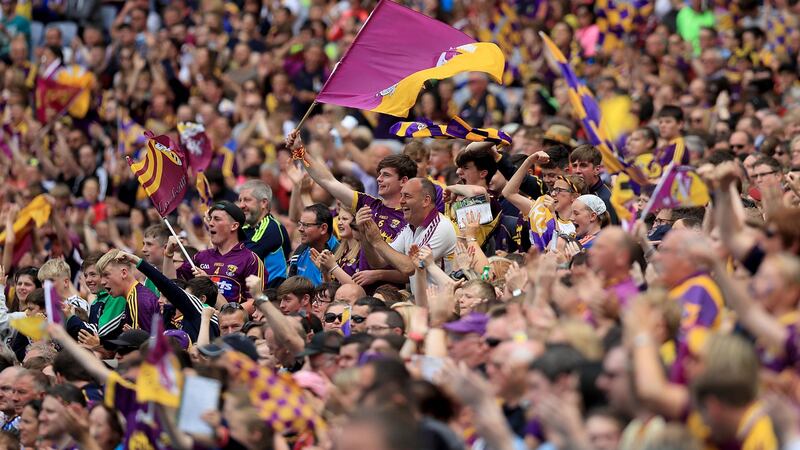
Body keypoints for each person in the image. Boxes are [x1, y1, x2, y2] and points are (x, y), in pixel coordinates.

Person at [357, 178, 456, 298]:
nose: (401, 201)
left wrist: (377, 240)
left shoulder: (441, 226)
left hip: (442, 303)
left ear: (426, 200)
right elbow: (378, 262)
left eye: (407, 196)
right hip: (421, 302)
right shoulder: (410, 227)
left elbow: (410, 267)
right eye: (401, 196)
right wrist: (364, 235)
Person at [171, 201, 266, 308]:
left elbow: (254, 303)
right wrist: (168, 255)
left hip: (231, 324)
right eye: (210, 218)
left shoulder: (251, 260)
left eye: (217, 219)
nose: (210, 223)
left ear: (234, 226)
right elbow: (171, 284)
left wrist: (209, 284)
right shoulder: (200, 256)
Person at [237, 179, 291, 288]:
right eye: (240, 200)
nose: (241, 205)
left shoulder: (272, 228)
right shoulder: (245, 227)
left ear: (263, 203)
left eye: (247, 200)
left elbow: (244, 258)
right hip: (249, 292)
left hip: (270, 296)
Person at [95, 249, 159, 332]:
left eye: (106, 275)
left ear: (124, 273)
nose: (102, 282)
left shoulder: (137, 300)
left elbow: (150, 343)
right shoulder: (136, 295)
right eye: (101, 277)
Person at [288, 203, 338, 286]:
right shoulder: (300, 251)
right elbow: (289, 288)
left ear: (323, 228)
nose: (300, 229)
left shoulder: (339, 253)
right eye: (300, 224)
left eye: (306, 225)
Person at [569, 145, 619, 225]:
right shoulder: (571, 191)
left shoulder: (605, 199)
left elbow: (610, 233)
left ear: (597, 170)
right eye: (574, 166)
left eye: (583, 165)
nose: (577, 171)